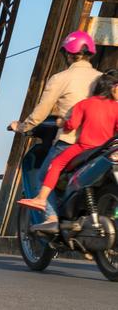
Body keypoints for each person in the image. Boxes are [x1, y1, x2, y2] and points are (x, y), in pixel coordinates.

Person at [8, 30, 102, 222]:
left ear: (68, 54)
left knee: (45, 176)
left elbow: (41, 112)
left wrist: (21, 126)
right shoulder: (102, 79)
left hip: (71, 140)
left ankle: (51, 218)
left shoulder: (61, 78)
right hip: (102, 142)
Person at [17, 71, 118, 231]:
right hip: (104, 149)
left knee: (56, 164)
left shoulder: (85, 104)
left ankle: (42, 198)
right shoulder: (116, 107)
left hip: (84, 147)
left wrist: (61, 122)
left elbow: (72, 125)